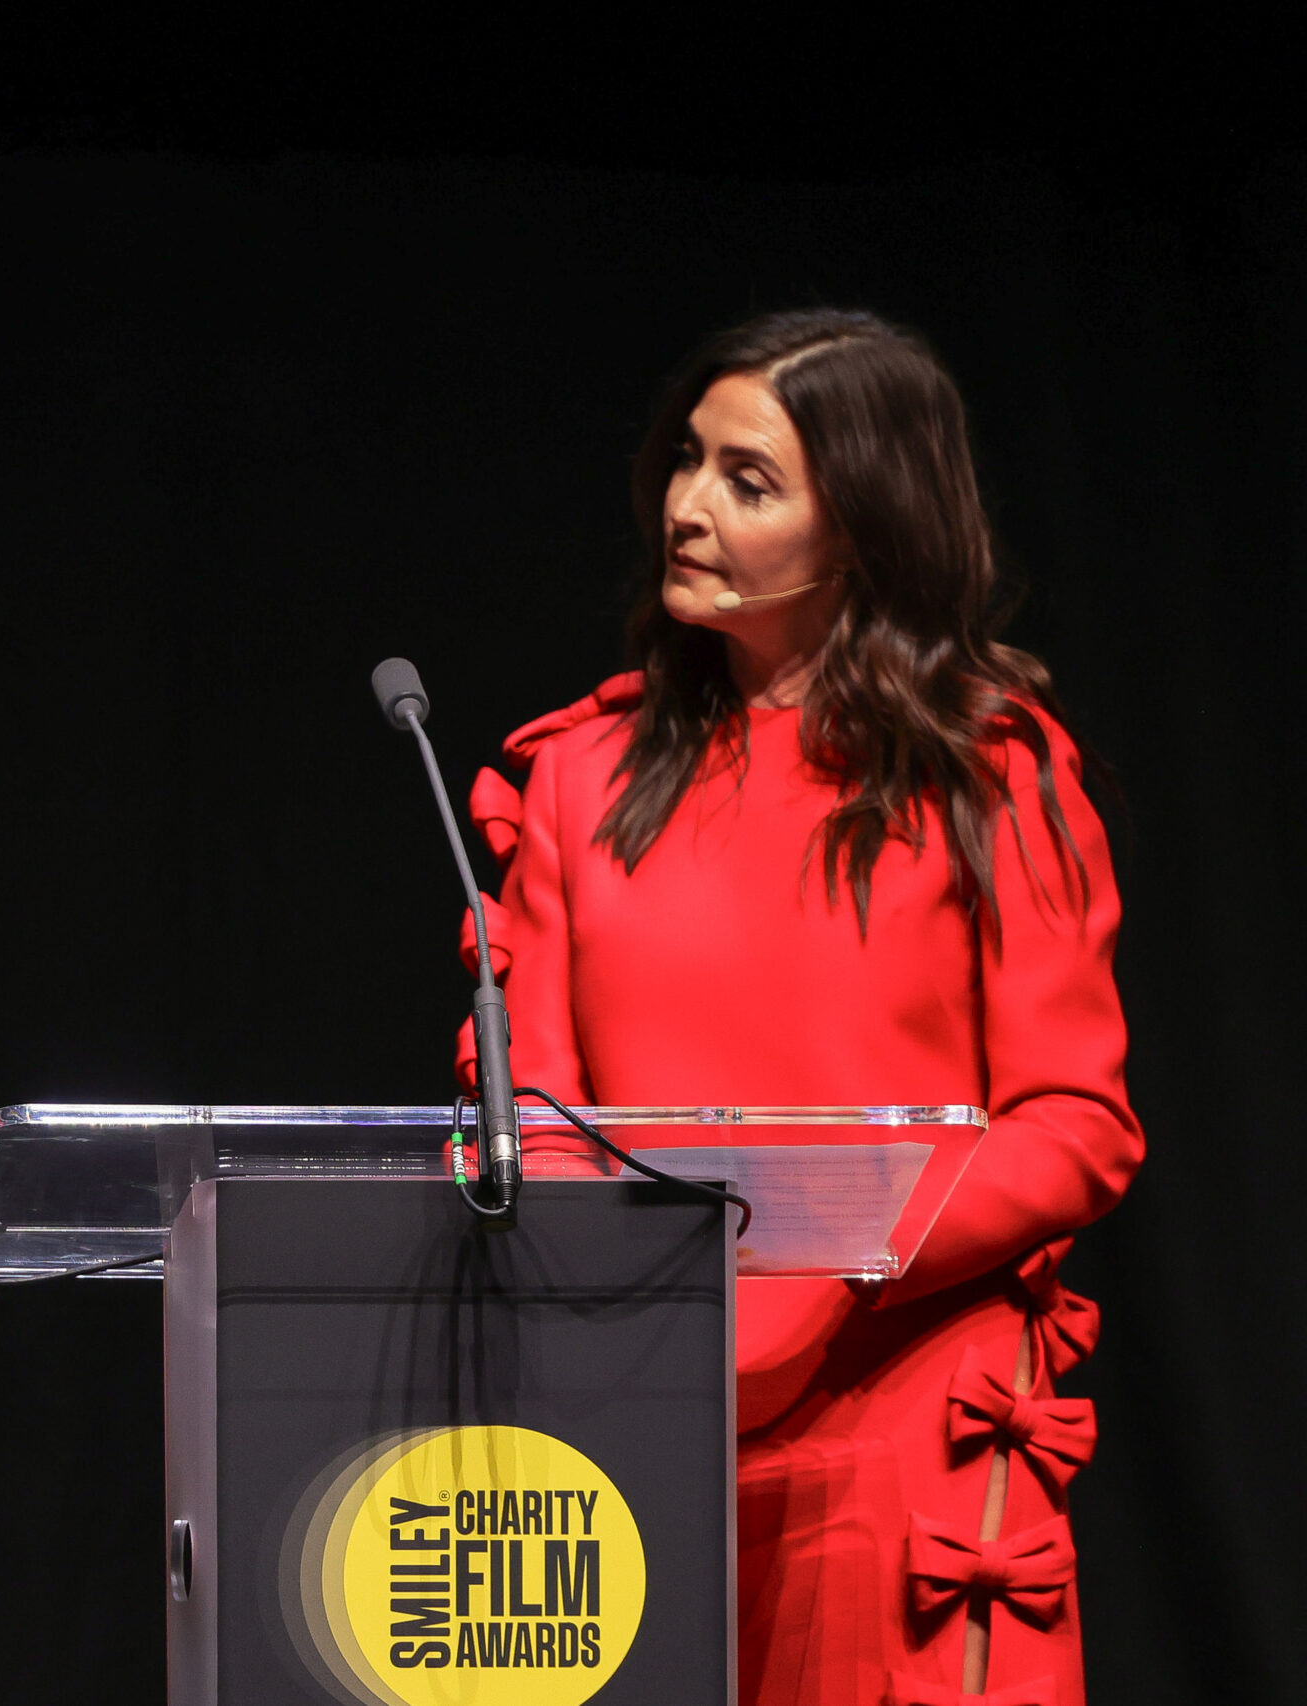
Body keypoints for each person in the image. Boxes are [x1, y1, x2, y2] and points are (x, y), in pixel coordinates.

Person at [459, 310, 1140, 1705]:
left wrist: (834, 1252)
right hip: (646, 1401)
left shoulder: (988, 774)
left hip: (906, 1417)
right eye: (687, 462)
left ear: (865, 527)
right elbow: (534, 1105)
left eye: (746, 480)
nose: (687, 507)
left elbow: (1073, 1121)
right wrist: (637, 1297)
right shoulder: (583, 776)